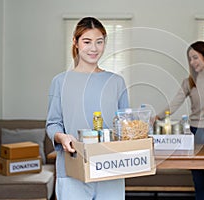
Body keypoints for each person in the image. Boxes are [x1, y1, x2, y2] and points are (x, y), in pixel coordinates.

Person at [46, 17, 129, 200]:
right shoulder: (60, 82)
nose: (94, 48)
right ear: (75, 43)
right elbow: (53, 124)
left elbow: (125, 126)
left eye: (99, 42)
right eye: (87, 41)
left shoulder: (116, 82)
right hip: (72, 169)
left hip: (110, 168)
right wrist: (62, 136)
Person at [156, 41, 204, 200]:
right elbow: (175, 102)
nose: (192, 62)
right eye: (190, 59)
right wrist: (158, 117)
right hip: (194, 132)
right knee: (198, 179)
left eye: (195, 57)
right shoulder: (189, 81)